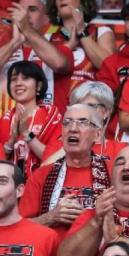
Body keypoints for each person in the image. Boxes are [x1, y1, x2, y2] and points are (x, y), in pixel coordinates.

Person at [19, 104, 113, 242]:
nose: (73, 129)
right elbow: (20, 229)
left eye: (82, 122)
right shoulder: (41, 175)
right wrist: (51, 217)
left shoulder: (112, 172)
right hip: (50, 255)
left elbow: (124, 222)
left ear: (98, 135)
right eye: (67, 123)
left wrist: (90, 219)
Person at [0, 0, 71, 120]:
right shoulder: (5, 48)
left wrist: (26, 28)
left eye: (32, 9)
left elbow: (59, 64)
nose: (25, 15)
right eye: (21, 11)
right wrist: (15, 42)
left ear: (46, 18)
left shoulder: (58, 46)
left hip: (46, 130)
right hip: (5, 131)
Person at [0, 61, 63, 177]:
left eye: (25, 78)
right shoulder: (0, 122)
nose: (18, 83)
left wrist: (26, 134)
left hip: (42, 185)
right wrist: (10, 142)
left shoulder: (51, 117)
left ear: (38, 86)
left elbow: (56, 157)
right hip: (9, 190)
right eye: (14, 79)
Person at [43, 0, 116, 84]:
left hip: (92, 98)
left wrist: (82, 32)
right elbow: (42, 74)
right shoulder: (48, 38)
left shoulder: (102, 32)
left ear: (82, 1)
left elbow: (109, 67)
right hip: (58, 99)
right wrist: (69, 45)